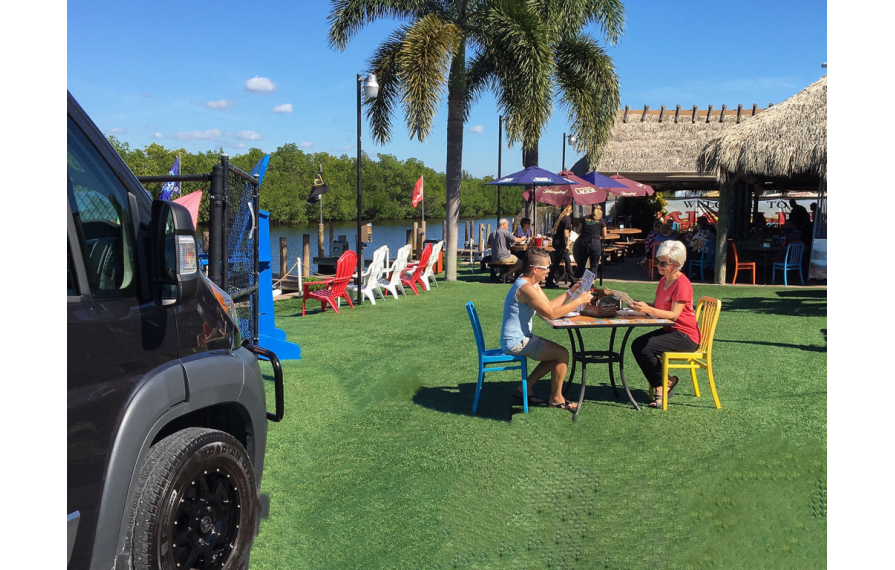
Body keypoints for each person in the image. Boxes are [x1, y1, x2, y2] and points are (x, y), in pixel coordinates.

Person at [501, 248, 593, 411]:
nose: (549, 270)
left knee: (556, 354)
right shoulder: (525, 288)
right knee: (562, 354)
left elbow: (549, 306)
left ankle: (525, 388)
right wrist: (579, 300)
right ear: (535, 269)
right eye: (546, 267)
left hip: (520, 338)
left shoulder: (532, 285)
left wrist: (570, 292)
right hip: (515, 341)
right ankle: (556, 399)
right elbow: (551, 314)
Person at [629, 240, 701, 408]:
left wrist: (649, 309)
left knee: (645, 348)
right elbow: (658, 307)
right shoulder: (663, 281)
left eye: (663, 263)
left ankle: (662, 386)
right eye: (657, 261)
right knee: (637, 344)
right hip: (671, 331)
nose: (658, 266)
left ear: (677, 264)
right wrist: (640, 306)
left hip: (686, 336)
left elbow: (674, 315)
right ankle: (666, 381)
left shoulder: (682, 284)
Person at [573, 204, 608, 279]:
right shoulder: (601, 220)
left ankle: (575, 282)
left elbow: (578, 230)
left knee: (581, 265)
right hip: (595, 244)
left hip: (583, 243)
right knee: (594, 266)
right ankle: (591, 284)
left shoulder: (585, 218)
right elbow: (604, 234)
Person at [546, 205, 574, 288]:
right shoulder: (567, 218)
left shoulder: (560, 218)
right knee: (566, 261)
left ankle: (549, 281)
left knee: (559, 261)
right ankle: (573, 281)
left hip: (556, 241)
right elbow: (566, 232)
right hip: (561, 243)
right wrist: (567, 244)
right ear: (571, 211)